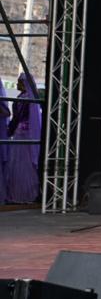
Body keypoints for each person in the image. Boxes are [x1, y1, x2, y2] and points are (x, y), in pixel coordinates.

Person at [6, 73, 42, 204]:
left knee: (19, 164)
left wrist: (9, 130)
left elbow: (16, 118)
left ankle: (19, 194)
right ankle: (28, 194)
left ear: (24, 84)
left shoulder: (22, 99)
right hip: (26, 134)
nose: (17, 84)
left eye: (19, 82)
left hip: (21, 134)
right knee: (26, 165)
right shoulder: (28, 98)